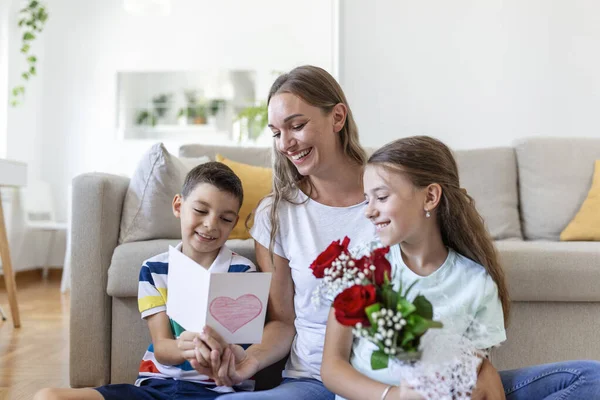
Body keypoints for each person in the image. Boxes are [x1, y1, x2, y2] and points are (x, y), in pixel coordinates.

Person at [163, 66, 600, 399]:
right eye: (277, 132)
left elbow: (445, 291)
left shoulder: (401, 197)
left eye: (297, 125)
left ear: (337, 117)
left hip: (417, 378)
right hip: (317, 382)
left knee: (588, 378)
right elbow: (285, 323)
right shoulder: (277, 214)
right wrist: (246, 362)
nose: (286, 143)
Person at [34, 162, 257, 400]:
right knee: (48, 397)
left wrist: (223, 351)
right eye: (201, 211)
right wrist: (186, 347)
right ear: (178, 206)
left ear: (234, 224)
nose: (211, 224)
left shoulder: (243, 272)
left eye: (225, 218)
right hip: (155, 389)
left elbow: (243, 354)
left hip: (218, 393)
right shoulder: (154, 269)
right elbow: (162, 348)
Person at [320, 135, 507, 399]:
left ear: (430, 196)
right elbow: (331, 368)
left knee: (584, 374)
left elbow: (470, 379)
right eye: (367, 200)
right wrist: (394, 396)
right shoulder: (361, 266)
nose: (369, 211)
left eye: (382, 197)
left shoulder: (476, 283)